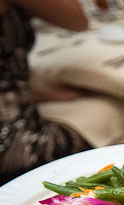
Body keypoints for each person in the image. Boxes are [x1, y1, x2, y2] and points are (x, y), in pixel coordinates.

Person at [0, 0, 93, 184]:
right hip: (10, 141)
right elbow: (76, 19)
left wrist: (31, 93)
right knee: (93, 166)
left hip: (16, 111)